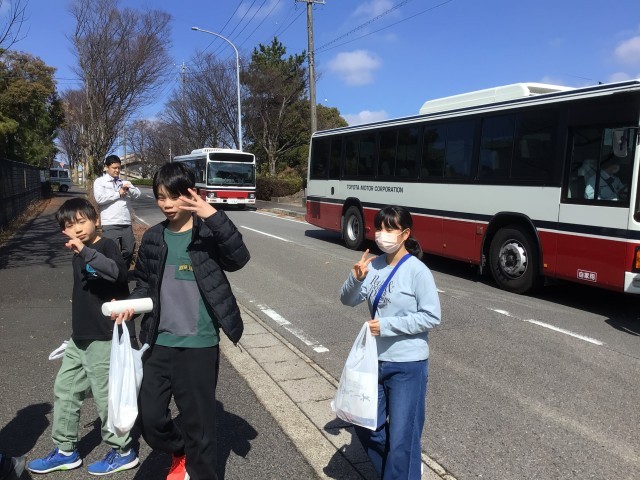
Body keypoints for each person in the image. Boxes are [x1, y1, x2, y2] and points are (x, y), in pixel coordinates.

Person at [114, 162, 250, 480]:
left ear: (191, 194)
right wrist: (130, 305)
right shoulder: (153, 237)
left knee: (199, 427)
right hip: (159, 340)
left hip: (199, 343)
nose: (167, 204)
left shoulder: (208, 234)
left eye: (174, 196)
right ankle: (180, 449)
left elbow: (239, 258)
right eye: (161, 197)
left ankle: (199, 471)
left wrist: (212, 215)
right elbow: (145, 283)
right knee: (149, 418)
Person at [27, 198, 138, 476]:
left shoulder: (106, 246)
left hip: (104, 336)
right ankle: (65, 451)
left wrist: (85, 252)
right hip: (80, 337)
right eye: (69, 225)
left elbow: (117, 274)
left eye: (81, 221)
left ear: (96, 220)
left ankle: (123, 451)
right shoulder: (78, 252)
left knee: (105, 396)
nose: (76, 229)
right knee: (65, 389)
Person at [340, 205, 441, 480]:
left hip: (408, 365)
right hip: (374, 362)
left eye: (389, 228)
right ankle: (406, 468)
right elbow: (347, 300)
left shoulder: (418, 271)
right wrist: (356, 278)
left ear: (405, 233)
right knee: (365, 424)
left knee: (402, 438)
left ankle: (404, 469)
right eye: (379, 228)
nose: (382, 234)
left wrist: (387, 326)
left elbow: (431, 316)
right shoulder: (373, 266)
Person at [94, 155, 141, 266]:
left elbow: (138, 194)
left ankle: (122, 270)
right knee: (112, 252)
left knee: (129, 250)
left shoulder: (124, 182)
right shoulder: (100, 182)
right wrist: (118, 194)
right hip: (110, 223)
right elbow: (99, 199)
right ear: (106, 167)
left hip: (126, 222)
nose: (117, 170)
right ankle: (114, 272)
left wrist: (129, 189)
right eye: (114, 168)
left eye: (119, 168)